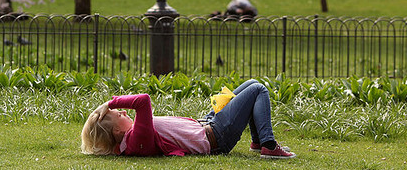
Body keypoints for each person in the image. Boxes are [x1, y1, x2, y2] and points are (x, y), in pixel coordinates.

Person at [81, 79, 295, 159]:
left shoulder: (132, 135)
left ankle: (258, 142)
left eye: (120, 110)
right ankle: (268, 144)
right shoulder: (137, 139)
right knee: (258, 89)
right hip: (216, 136)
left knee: (251, 83)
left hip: (207, 123)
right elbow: (143, 101)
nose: (125, 112)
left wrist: (110, 107)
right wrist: (110, 103)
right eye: (120, 114)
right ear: (117, 132)